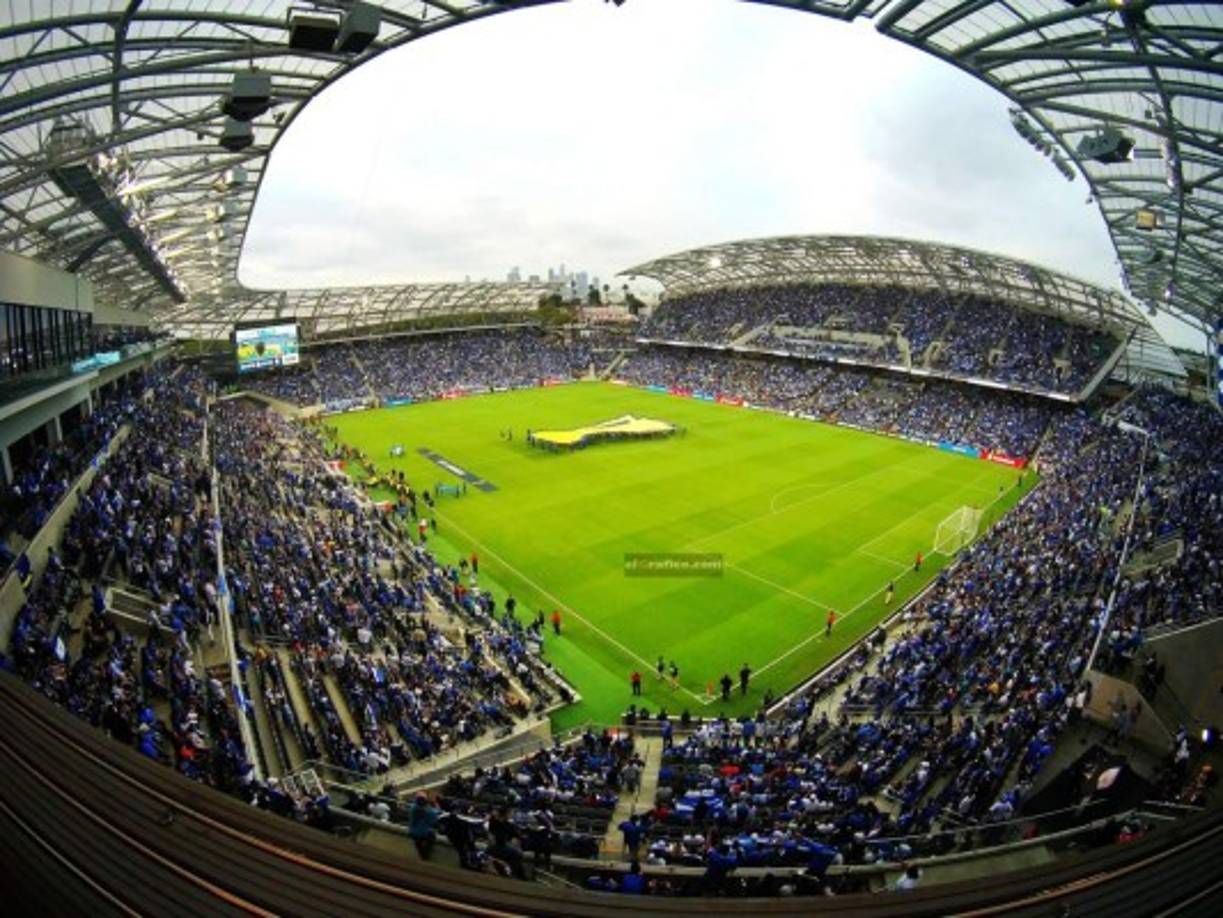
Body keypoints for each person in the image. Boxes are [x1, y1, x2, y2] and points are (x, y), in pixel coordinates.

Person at [408, 794, 440, 861]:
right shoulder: (427, 811)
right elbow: (434, 821)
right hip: (423, 832)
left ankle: (423, 854)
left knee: (419, 841)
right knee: (431, 837)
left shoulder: (413, 807)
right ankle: (425, 856)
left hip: (413, 830)